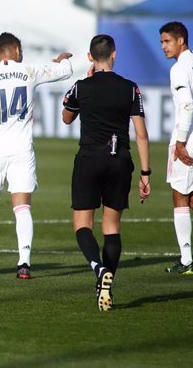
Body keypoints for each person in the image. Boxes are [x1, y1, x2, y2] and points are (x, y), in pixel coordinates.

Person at [0, 32, 73, 280]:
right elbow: (64, 72)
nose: (22, 53)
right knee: (22, 207)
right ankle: (24, 263)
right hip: (22, 150)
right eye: (20, 49)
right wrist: (63, 60)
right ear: (13, 49)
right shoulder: (29, 71)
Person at [62, 34, 151, 311]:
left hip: (89, 158)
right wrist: (145, 173)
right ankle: (104, 286)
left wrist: (85, 86)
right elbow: (141, 135)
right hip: (119, 160)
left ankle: (99, 270)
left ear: (90, 57)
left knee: (82, 226)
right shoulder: (130, 88)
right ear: (114, 53)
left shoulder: (81, 86)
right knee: (111, 227)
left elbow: (66, 117)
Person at [160, 21, 193, 275]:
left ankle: (186, 260)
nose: (163, 47)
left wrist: (180, 142)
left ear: (181, 40)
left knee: (179, 196)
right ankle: (186, 260)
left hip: (190, 140)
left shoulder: (179, 68)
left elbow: (188, 106)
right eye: (161, 42)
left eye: (167, 41)